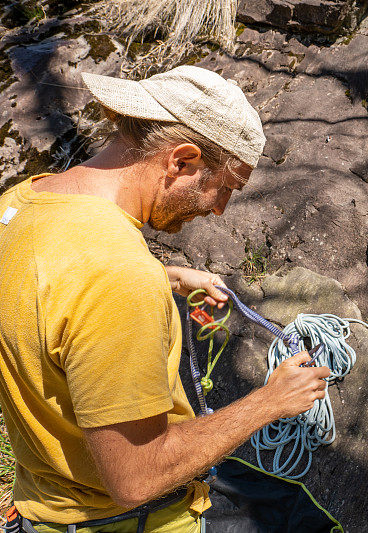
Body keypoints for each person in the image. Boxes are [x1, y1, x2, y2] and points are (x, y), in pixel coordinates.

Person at [0, 65, 331, 532]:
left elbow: (55, 291)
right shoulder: (117, 278)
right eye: (226, 188)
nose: (219, 209)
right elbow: (137, 477)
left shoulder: (21, 205)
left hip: (43, 506)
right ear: (181, 160)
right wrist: (271, 401)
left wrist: (164, 277)